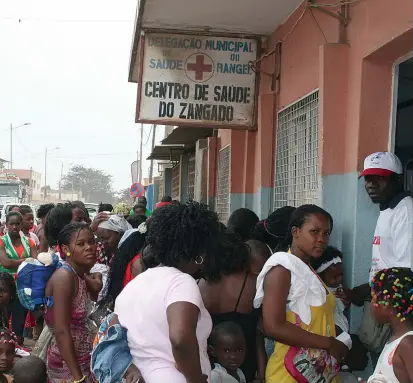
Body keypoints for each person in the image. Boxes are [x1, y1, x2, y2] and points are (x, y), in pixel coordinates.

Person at [115, 201, 227, 383]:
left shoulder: (136, 284)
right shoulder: (181, 283)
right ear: (200, 251)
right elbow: (180, 339)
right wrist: (196, 380)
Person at [254, 204, 348, 383]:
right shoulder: (282, 270)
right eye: (314, 232)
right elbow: (273, 326)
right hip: (290, 373)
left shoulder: (308, 270)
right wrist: (329, 343)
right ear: (295, 232)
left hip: (316, 372)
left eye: (326, 233)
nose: (321, 239)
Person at [199, 237, 270, 382]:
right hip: (243, 365)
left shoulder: (200, 283)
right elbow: (258, 336)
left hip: (205, 366)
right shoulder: (251, 285)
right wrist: (262, 374)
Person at [44, 222, 99, 382]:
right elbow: (61, 331)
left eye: (91, 242)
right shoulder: (64, 277)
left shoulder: (80, 274)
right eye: (81, 244)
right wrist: (78, 377)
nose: (89, 247)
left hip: (83, 358)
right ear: (66, 249)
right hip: (67, 365)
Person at [363, 268, 413, 383]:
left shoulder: (408, 344)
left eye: (373, 298)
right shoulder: (396, 340)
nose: (371, 304)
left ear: (386, 304)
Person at [0, 212, 37, 344]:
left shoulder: (29, 242)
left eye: (17, 223)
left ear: (21, 225)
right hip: (3, 289)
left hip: (22, 289)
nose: (15, 227)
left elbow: (36, 262)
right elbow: (5, 263)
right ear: (7, 225)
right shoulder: (1, 241)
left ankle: (17, 352)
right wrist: (26, 260)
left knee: (18, 326)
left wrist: (20, 262)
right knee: (2, 323)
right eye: (11, 224)